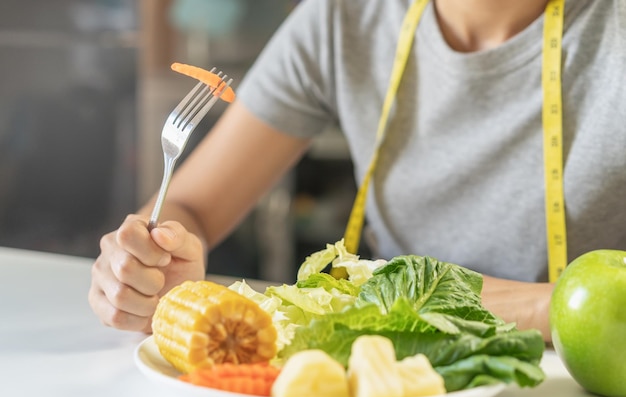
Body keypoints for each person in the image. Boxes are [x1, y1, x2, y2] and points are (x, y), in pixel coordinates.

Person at [88, 0, 626, 340]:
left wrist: (541, 308)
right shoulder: (342, 18)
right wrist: (150, 265)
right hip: (395, 373)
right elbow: (192, 207)